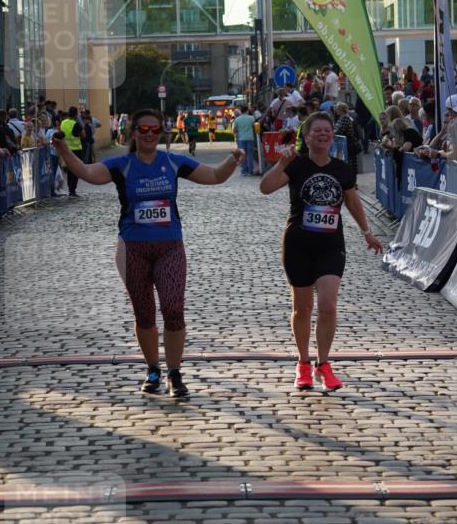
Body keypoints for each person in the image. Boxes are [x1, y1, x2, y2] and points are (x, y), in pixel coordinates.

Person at [52, 109, 245, 398]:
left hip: (169, 247)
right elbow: (88, 173)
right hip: (132, 249)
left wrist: (234, 159)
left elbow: (215, 176)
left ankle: (174, 373)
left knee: (173, 308)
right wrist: (64, 150)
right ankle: (152, 369)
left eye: (156, 130)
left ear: (162, 133)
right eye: (143, 129)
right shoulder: (121, 164)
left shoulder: (172, 161)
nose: (150, 134)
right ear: (133, 133)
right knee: (144, 313)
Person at [260, 111, 383, 391]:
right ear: (306, 135)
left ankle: (323, 364)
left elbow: (352, 201)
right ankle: (303, 363)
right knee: (302, 308)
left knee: (328, 305)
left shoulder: (341, 168)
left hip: (331, 245)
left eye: (327, 130)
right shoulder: (296, 165)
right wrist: (282, 163)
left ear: (332, 135)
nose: (323, 134)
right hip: (298, 244)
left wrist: (366, 232)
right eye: (317, 130)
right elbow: (265, 188)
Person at [60, 106, 85, 196]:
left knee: (70, 169)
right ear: (75, 114)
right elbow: (83, 135)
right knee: (76, 170)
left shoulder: (63, 122)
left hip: (66, 149)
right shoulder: (76, 124)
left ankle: (70, 188)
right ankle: (72, 189)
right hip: (76, 150)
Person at [233, 104, 256, 175]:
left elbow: (235, 130)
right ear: (247, 110)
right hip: (250, 138)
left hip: (241, 139)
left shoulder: (237, 119)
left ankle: (244, 171)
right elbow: (254, 127)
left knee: (243, 155)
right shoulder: (252, 118)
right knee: (250, 155)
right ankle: (250, 171)